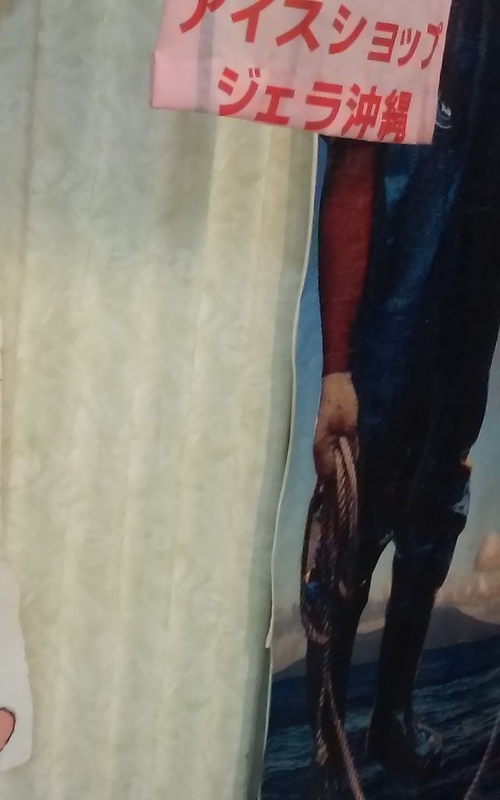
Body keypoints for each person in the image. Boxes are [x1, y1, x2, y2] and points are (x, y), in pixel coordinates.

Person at [305, 0, 500, 790]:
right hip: (384, 327)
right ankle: (327, 735)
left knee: (437, 509)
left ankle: (389, 718)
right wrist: (335, 366)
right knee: (355, 523)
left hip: (469, 330)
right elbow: (353, 171)